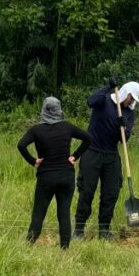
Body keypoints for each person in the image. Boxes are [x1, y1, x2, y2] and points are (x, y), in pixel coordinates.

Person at [18, 97, 91, 249]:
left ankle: (28, 246)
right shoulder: (67, 127)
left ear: (44, 110)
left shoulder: (36, 130)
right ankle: (64, 249)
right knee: (63, 213)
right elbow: (88, 138)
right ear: (59, 110)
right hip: (66, 176)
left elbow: (21, 145)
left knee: (39, 213)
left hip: (46, 177)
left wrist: (34, 161)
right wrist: (75, 156)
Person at [74, 78, 139, 240]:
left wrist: (123, 127)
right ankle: (78, 230)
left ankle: (104, 231)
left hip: (111, 155)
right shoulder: (104, 101)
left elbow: (125, 139)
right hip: (92, 151)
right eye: (131, 97)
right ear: (125, 93)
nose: (131, 101)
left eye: (134, 100)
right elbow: (90, 101)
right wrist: (108, 87)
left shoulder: (129, 113)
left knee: (111, 193)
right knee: (87, 191)